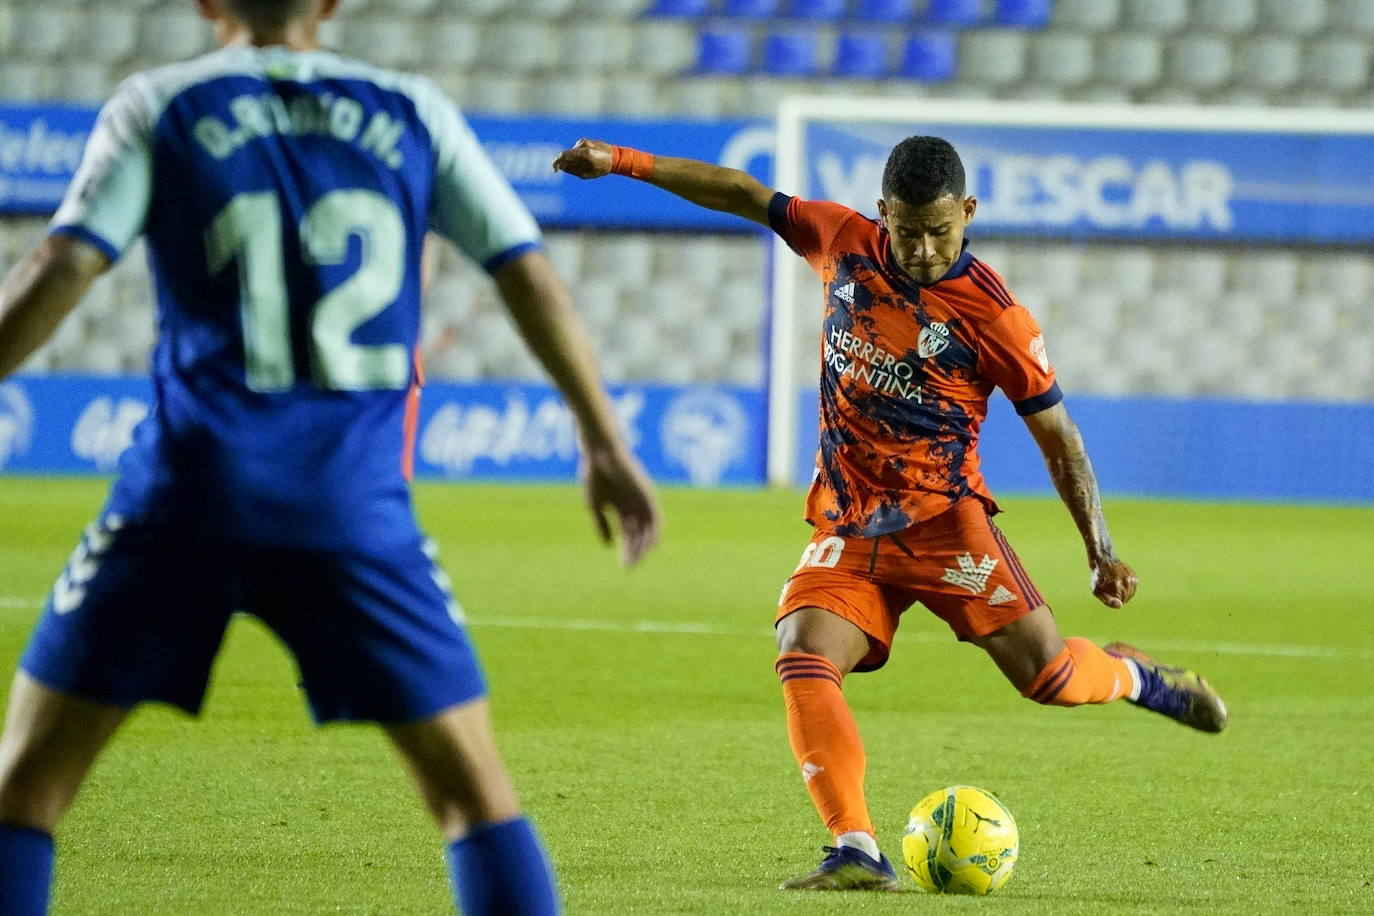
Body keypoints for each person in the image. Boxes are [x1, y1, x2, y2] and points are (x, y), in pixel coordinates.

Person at [0, 2, 660, 913]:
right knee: (474, 799)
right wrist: (601, 437)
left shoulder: (159, 103)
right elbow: (527, 270)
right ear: (331, 5)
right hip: (350, 508)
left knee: (25, 791)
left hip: (187, 495)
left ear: (206, 4)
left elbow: (61, 267)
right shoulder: (413, 110)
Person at [553, 135, 1226, 892]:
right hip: (849, 522)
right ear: (883, 214)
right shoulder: (841, 239)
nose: (925, 247)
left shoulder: (997, 318)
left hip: (947, 528)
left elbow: (1058, 438)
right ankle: (857, 847)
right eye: (909, 231)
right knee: (802, 648)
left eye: (941, 230)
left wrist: (1099, 548)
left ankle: (1137, 677)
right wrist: (620, 161)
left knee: (1052, 679)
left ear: (968, 212)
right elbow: (742, 192)